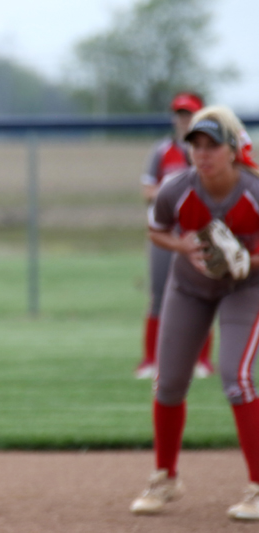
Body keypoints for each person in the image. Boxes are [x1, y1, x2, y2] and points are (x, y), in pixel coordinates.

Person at [129, 105, 259, 520]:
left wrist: (247, 261)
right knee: (168, 382)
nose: (202, 153)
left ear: (234, 150)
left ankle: (257, 486)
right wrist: (182, 245)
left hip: (245, 288)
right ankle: (165, 478)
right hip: (189, 287)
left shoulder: (253, 191)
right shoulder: (178, 188)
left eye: (212, 145)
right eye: (196, 145)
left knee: (236, 377)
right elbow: (156, 228)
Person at [134, 91, 215, 380]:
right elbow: (148, 191)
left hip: (198, 233)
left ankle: (201, 361)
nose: (183, 120)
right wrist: (176, 190)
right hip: (166, 233)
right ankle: (150, 360)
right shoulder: (162, 151)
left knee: (204, 294)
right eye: (180, 114)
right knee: (158, 295)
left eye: (189, 114)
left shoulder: (209, 152)